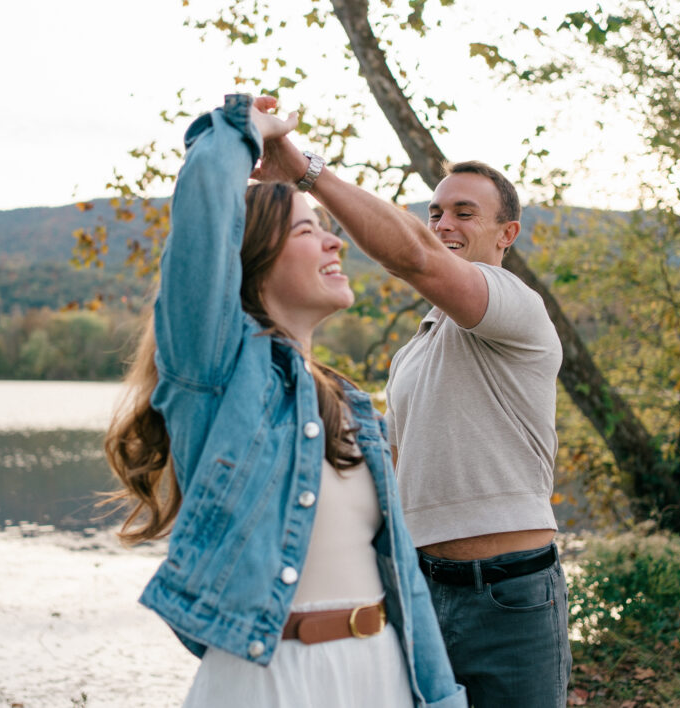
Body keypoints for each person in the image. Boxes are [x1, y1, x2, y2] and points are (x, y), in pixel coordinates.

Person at [104, 93, 466, 708]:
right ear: (254, 258)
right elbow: (199, 228)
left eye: (329, 231)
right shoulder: (216, 370)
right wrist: (240, 127)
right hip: (270, 682)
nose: (334, 245)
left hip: (379, 674)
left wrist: (439, 698)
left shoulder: (350, 406)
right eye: (308, 229)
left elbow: (404, 581)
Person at [255, 129, 571, 706]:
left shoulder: (517, 307)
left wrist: (308, 175)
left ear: (507, 235)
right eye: (435, 212)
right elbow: (389, 479)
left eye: (464, 212)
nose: (443, 223)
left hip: (511, 593)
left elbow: (415, 259)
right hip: (421, 593)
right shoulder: (414, 352)